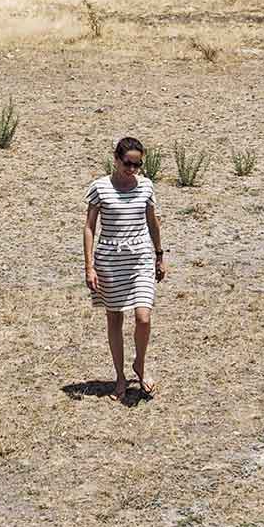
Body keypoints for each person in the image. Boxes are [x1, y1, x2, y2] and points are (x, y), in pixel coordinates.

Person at [84, 136, 167, 402]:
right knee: (115, 318)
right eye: (127, 163)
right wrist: (89, 267)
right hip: (110, 260)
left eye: (137, 164)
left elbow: (153, 223)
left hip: (140, 256)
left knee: (143, 316)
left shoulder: (146, 187)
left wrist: (159, 255)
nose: (132, 169)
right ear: (116, 159)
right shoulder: (100, 187)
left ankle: (139, 365)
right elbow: (89, 227)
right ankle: (120, 376)